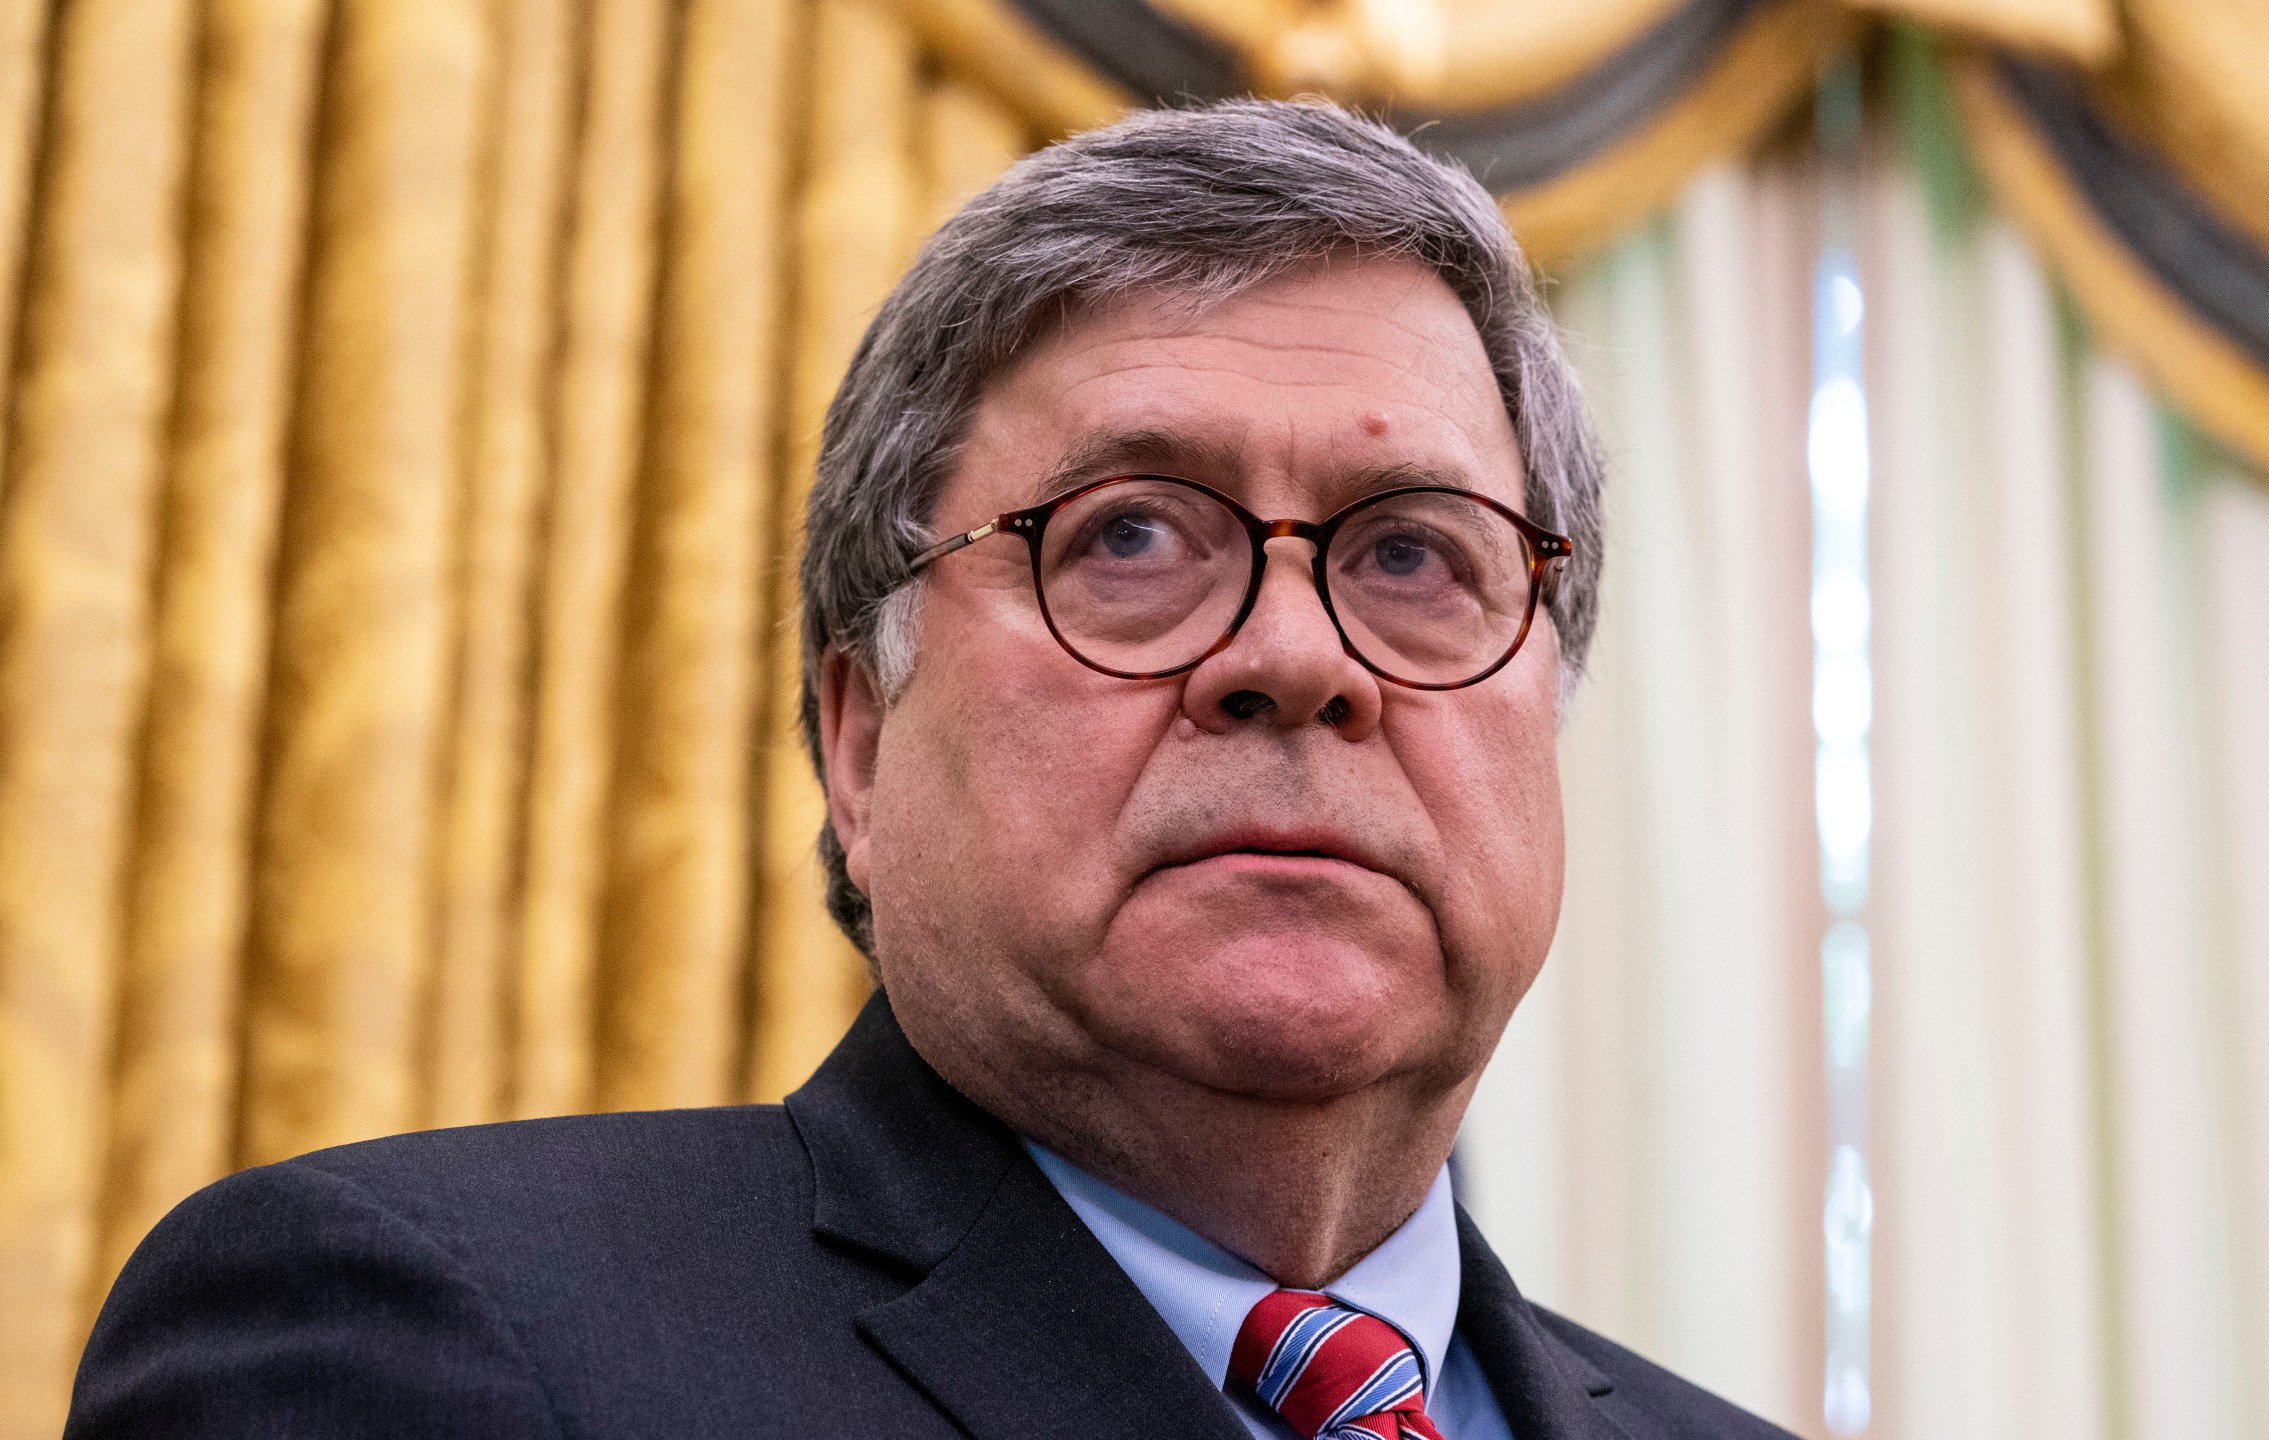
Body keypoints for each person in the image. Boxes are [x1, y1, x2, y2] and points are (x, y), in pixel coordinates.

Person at [70, 99, 1793, 1440]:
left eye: (1415, 557)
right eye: (1129, 535)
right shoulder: (420, 1338)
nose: (1294, 656)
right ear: (860, 742)